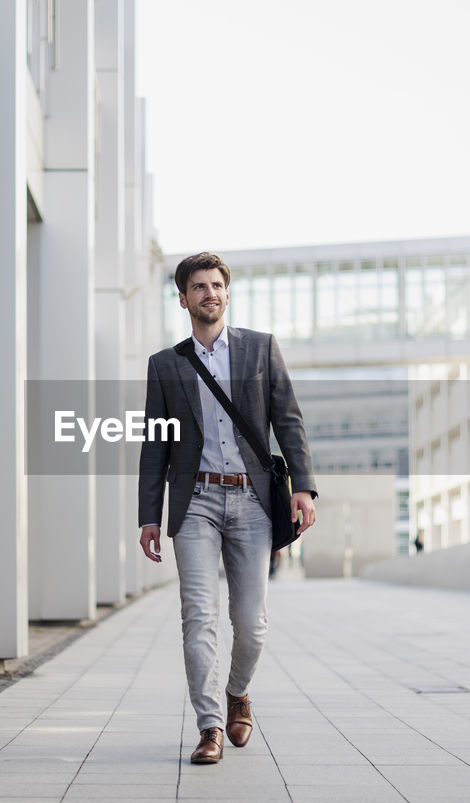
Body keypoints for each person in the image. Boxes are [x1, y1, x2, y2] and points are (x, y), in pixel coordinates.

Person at [138, 251, 317, 765]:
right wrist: (149, 515)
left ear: (227, 292)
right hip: (194, 501)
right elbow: (155, 444)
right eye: (198, 286)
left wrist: (302, 485)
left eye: (216, 285)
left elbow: (288, 419)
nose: (209, 293)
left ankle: (238, 692)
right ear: (183, 298)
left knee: (252, 621)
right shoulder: (166, 365)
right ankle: (211, 724)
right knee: (199, 615)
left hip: (253, 500)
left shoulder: (260, 350)